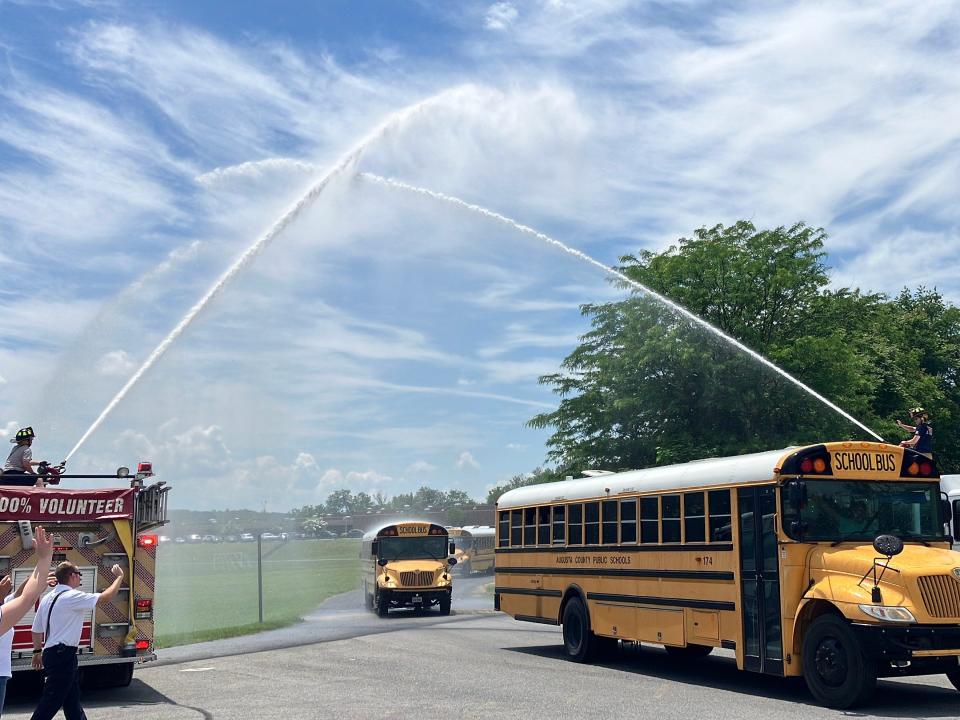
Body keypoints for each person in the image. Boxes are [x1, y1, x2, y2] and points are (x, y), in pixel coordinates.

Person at [30, 561, 125, 720]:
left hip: (54, 654)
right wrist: (119, 578)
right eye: (79, 574)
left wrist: (37, 651)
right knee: (52, 700)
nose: (80, 577)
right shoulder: (72, 596)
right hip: (63, 655)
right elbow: (105, 597)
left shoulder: (47, 598)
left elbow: (36, 629)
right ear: (72, 576)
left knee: (71, 701)